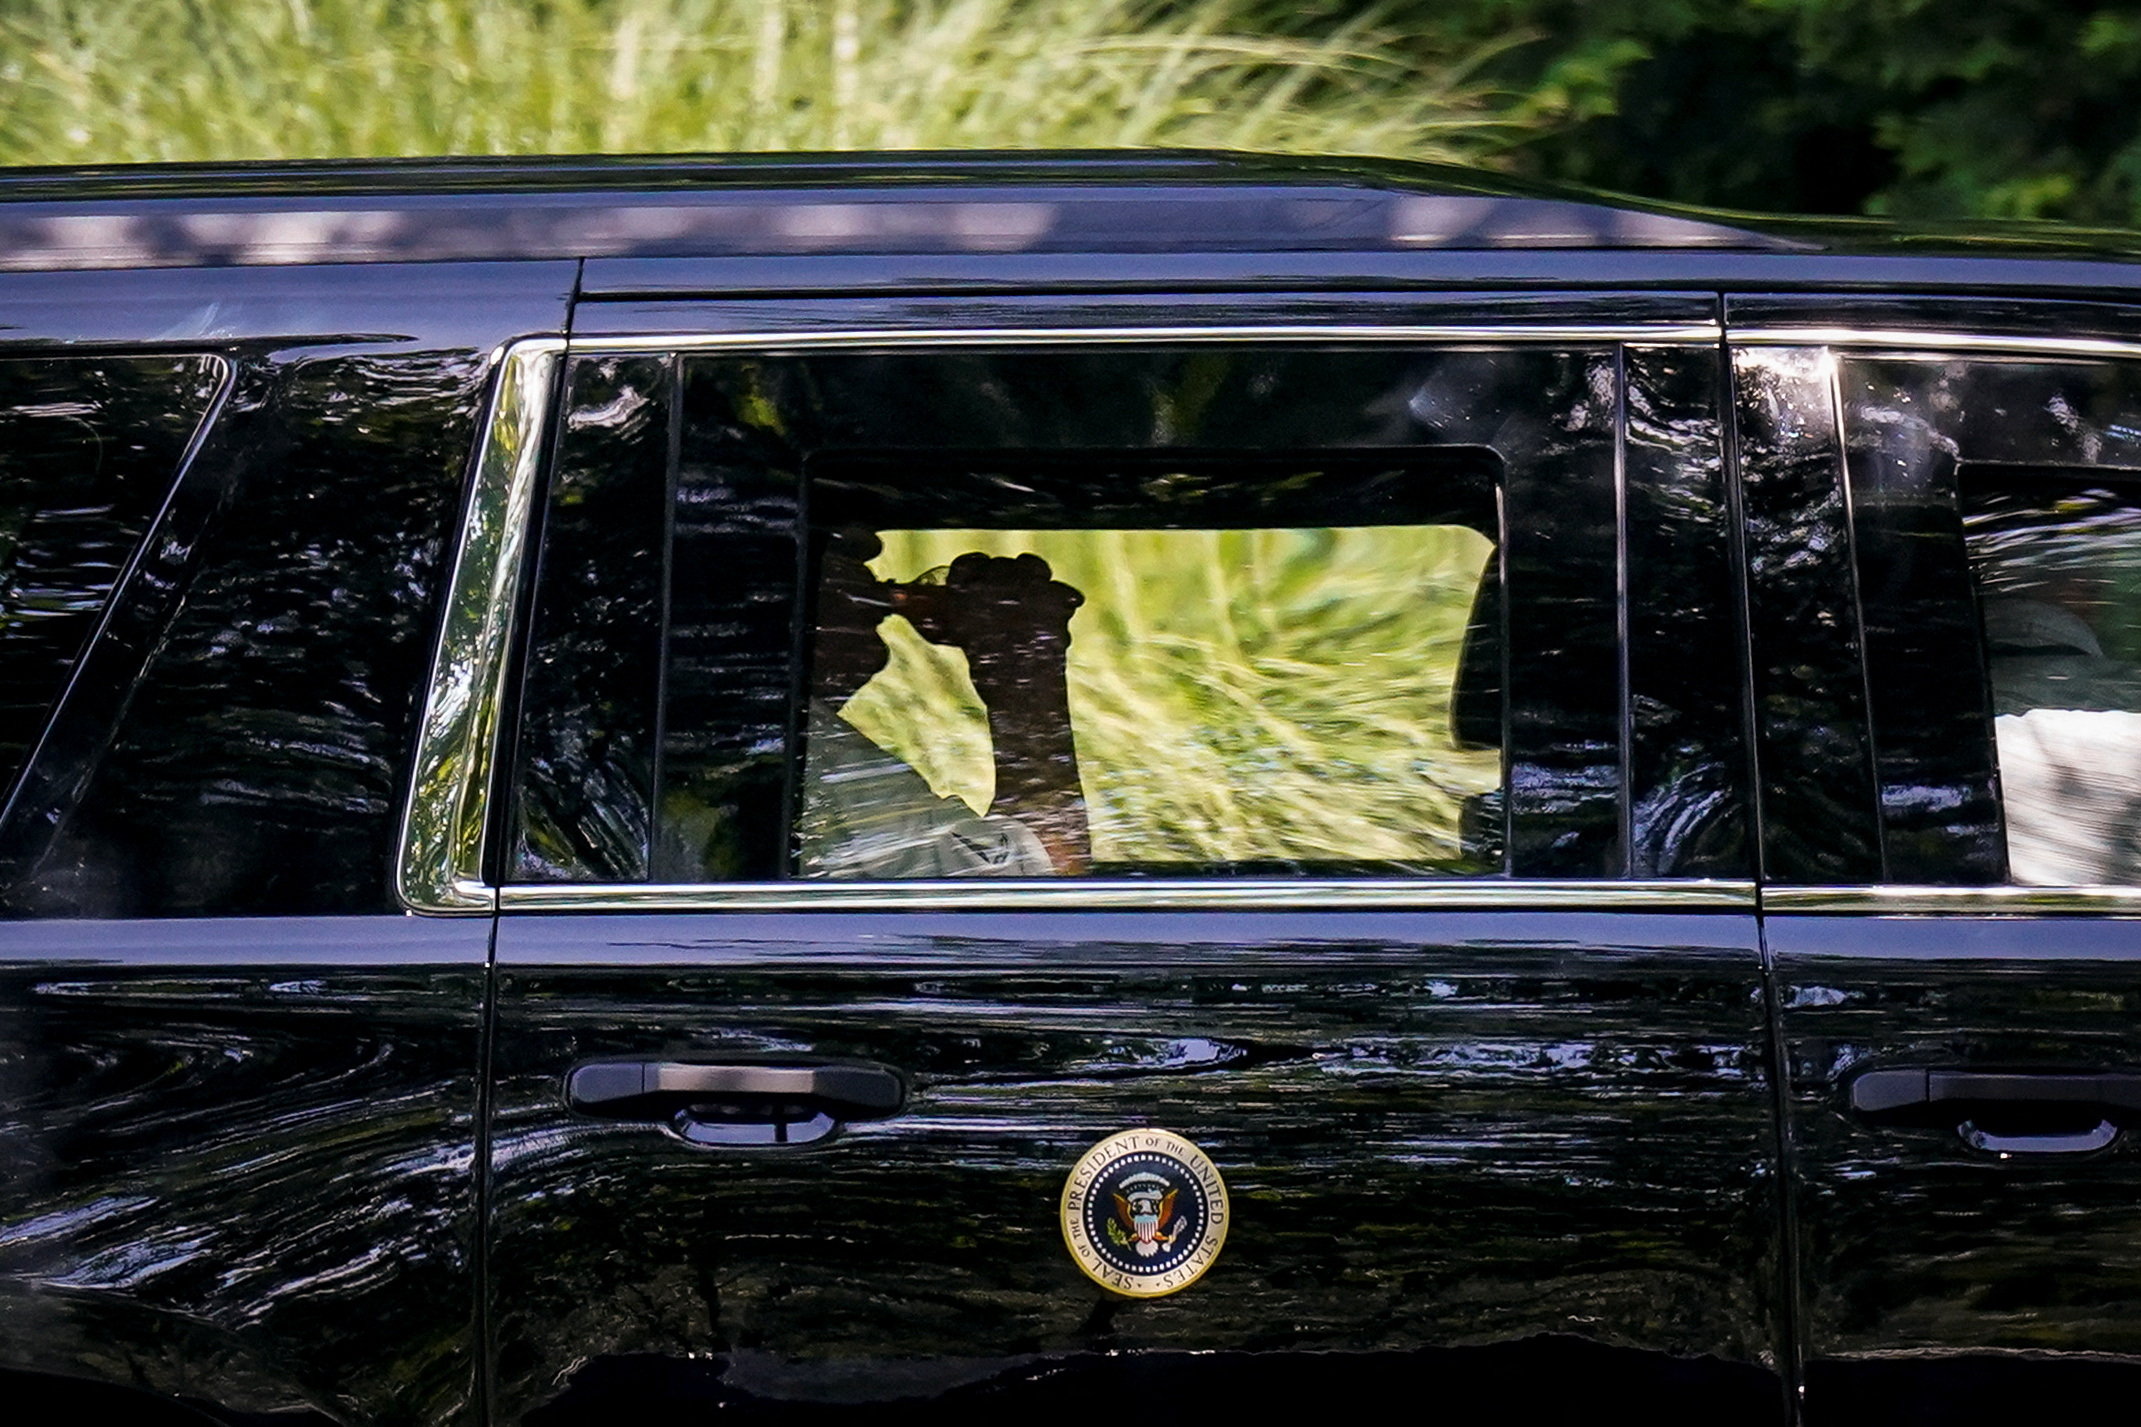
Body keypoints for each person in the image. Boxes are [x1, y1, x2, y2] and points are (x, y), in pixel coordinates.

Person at [795, 528, 1092, 877]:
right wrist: (1023, 662)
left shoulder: (787, 741)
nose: (871, 581)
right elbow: (1045, 873)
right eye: (840, 570)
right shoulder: (816, 755)